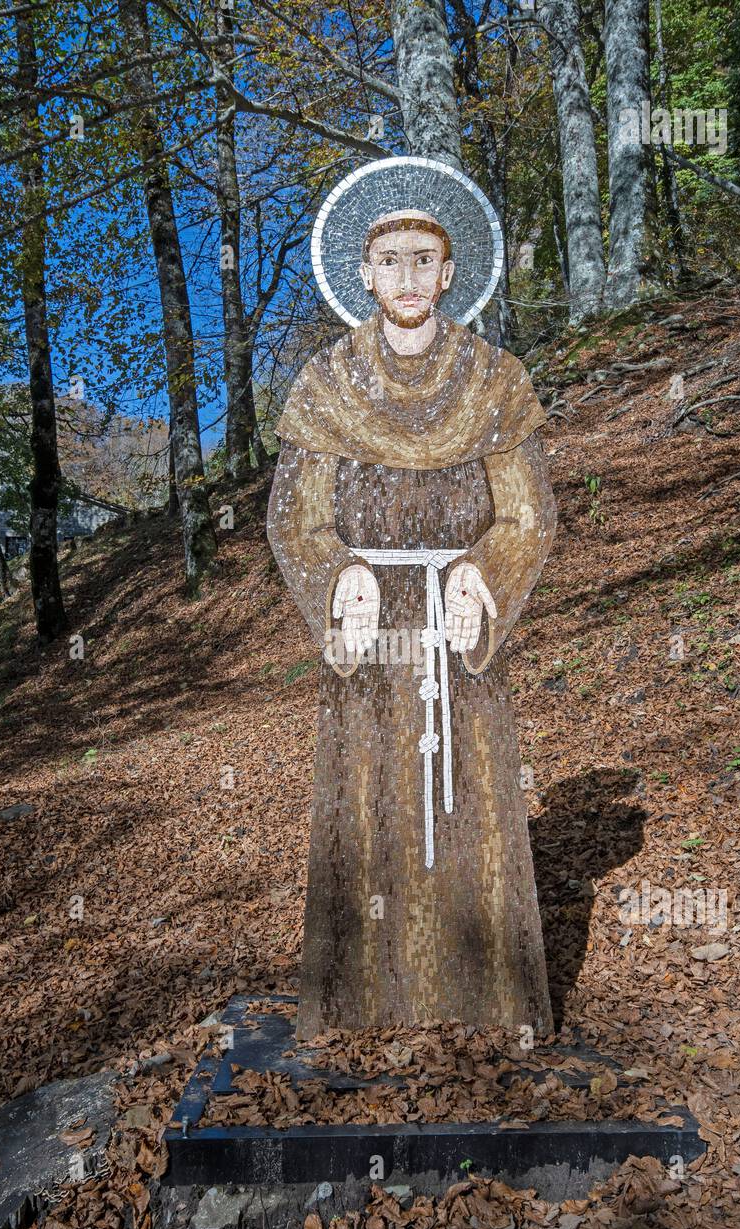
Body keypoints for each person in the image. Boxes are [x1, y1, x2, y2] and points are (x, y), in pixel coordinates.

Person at [267, 157, 556, 1040]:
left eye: (422, 259)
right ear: (362, 272)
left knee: (466, 799)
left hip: (458, 624)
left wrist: (486, 572)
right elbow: (293, 518)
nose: (406, 277)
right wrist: (337, 577)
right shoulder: (325, 385)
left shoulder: (495, 381)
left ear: (449, 270)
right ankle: (365, 1003)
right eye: (388, 259)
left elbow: (529, 512)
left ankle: (486, 1002)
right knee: (371, 800)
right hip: (368, 631)